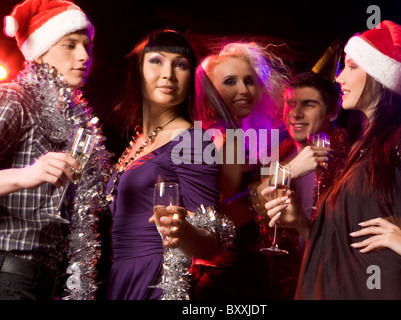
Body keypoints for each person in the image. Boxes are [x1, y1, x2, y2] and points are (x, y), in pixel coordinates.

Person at [263, 20, 401, 299]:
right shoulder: (358, 146)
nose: (339, 78)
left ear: (380, 76)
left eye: (352, 66)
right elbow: (344, 242)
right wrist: (301, 222)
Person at [104, 29, 233, 300]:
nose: (168, 74)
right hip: (121, 275)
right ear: (137, 70)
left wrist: (182, 230)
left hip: (157, 281)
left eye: (181, 65)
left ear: (191, 79)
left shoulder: (193, 142)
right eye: (157, 61)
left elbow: (211, 244)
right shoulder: (138, 139)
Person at [0, 0, 110, 300]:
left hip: (48, 283)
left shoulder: (77, 123)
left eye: (87, 45)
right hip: (8, 274)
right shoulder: (15, 99)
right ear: (41, 51)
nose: (84, 56)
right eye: (70, 45)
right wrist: (26, 176)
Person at [191, 41, 287, 299]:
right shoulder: (227, 137)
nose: (243, 90)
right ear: (210, 91)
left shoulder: (215, 133)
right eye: (231, 82)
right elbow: (220, 218)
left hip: (223, 271)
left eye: (249, 81)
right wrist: (264, 197)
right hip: (228, 274)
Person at [253, 71, 351, 299]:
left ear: (333, 111)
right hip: (282, 286)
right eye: (290, 104)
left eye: (308, 105)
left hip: (334, 285)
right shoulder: (275, 159)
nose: (295, 114)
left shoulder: (349, 162)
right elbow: (255, 207)